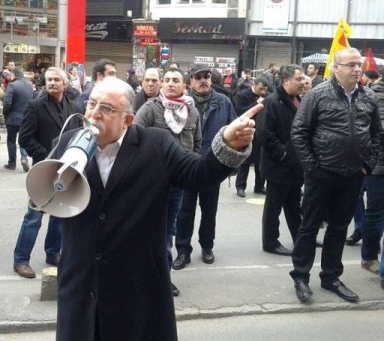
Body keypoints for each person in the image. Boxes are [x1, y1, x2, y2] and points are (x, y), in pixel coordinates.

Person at [52, 77, 260, 341]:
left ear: (127, 120)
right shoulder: (69, 141)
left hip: (136, 284)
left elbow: (199, 173)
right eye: (92, 103)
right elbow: (46, 191)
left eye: (106, 108)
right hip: (81, 281)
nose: (94, 113)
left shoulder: (156, 145)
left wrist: (230, 143)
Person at [290, 47, 381, 303]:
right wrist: (312, 167)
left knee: (339, 228)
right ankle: (300, 276)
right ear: (335, 68)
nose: (357, 69)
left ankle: (330, 276)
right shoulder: (318, 94)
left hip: (353, 175)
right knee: (309, 227)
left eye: (359, 65)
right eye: (351, 64)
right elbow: (299, 133)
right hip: (321, 174)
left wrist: (368, 164)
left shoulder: (368, 97)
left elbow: (376, 134)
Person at [134, 68, 201, 296]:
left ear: (184, 86)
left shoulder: (192, 112)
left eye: (176, 80)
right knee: (147, 230)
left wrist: (191, 171)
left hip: (177, 184)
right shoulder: (150, 109)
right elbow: (133, 140)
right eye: (168, 80)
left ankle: (163, 277)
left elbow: (197, 145)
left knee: (168, 230)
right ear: (162, 85)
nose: (171, 84)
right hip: (151, 183)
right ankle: (142, 278)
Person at [13, 67, 81, 279]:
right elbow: (24, 139)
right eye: (49, 79)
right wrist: (47, 157)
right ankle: (21, 260)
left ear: (65, 84)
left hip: (65, 172)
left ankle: (53, 253)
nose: (52, 82)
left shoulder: (73, 108)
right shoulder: (35, 106)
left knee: (59, 216)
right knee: (33, 217)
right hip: (43, 170)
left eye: (56, 80)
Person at [173, 63, 236, 269]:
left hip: (213, 165)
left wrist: (229, 164)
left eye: (206, 76)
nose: (203, 81)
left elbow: (233, 130)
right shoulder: (181, 103)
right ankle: (183, 250)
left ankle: (207, 246)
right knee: (184, 212)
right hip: (186, 165)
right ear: (190, 81)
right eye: (198, 77)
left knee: (209, 210)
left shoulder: (223, 102)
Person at [257, 65, 305, 256]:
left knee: (294, 205)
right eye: (298, 79)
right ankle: (270, 242)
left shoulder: (297, 100)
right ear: (286, 81)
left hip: (295, 166)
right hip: (279, 165)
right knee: (273, 207)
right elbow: (264, 134)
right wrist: (283, 154)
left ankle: (300, 238)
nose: (302, 83)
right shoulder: (273, 102)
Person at [358, 67, 384, 279]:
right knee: (374, 213)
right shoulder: (376, 95)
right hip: (378, 167)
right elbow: (377, 130)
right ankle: (368, 257)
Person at [234, 77, 268, 198]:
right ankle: (240, 187)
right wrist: (256, 104)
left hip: (261, 131)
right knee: (244, 161)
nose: (263, 92)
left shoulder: (267, 96)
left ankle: (259, 186)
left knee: (260, 160)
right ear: (254, 85)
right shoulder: (242, 95)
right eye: (260, 89)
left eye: (265, 89)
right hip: (246, 130)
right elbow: (239, 111)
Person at [3, 68, 33, 171]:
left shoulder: (12, 85)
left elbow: (7, 103)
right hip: (26, 118)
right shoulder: (29, 86)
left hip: (13, 118)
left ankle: (12, 163)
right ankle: (24, 158)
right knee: (23, 139)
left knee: (11, 141)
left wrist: (5, 113)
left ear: (14, 75)